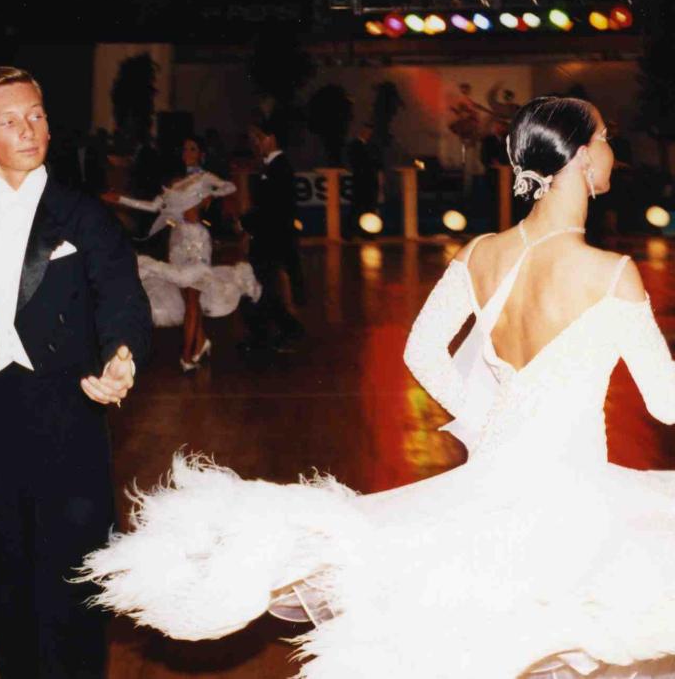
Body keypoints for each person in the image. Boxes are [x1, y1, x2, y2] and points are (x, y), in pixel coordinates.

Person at [79, 97, 675, 678]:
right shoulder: (611, 275)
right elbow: (666, 402)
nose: (611, 149)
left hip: (493, 483)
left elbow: (422, 350)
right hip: (573, 502)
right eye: (603, 138)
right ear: (578, 156)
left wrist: (491, 418)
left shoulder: (481, 255)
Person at [0, 66, 151, 679]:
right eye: (10, 120)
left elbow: (122, 299)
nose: (28, 129)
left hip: (70, 424)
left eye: (37, 115)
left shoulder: (85, 217)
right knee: (1, 592)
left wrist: (121, 357)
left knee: (75, 596)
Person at [104, 135, 260, 372]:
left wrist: (207, 195)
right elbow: (153, 206)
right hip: (178, 242)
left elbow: (230, 187)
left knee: (193, 298)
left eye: (193, 149)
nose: (188, 152)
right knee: (188, 299)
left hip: (197, 242)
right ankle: (201, 342)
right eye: (186, 148)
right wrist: (121, 199)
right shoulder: (175, 183)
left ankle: (187, 356)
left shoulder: (204, 177)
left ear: (201, 154)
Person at [238, 115, 305, 352]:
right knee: (263, 289)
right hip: (267, 238)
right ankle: (273, 332)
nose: (254, 143)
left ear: (271, 139)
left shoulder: (280, 168)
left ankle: (279, 332)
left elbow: (272, 209)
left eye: (258, 138)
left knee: (264, 289)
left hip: (273, 240)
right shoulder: (271, 166)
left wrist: (245, 224)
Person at [345, 123, 381, 238]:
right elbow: (356, 162)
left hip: (370, 181)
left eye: (370, 132)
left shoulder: (372, 146)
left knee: (369, 207)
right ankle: (351, 232)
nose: (368, 134)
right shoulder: (354, 145)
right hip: (360, 181)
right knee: (358, 207)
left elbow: (377, 162)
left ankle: (367, 233)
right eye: (366, 132)